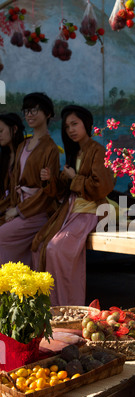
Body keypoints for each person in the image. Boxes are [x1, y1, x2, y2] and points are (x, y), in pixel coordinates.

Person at [32, 105, 115, 306]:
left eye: (75, 124)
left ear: (86, 124)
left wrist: (74, 178)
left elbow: (102, 187)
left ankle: (69, 308)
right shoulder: (74, 153)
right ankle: (48, 308)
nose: (71, 130)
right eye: (67, 126)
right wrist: (49, 180)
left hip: (91, 211)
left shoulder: (98, 151)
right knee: (39, 246)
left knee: (56, 248)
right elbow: (62, 190)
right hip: (71, 212)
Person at [0, 93, 60, 267]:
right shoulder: (22, 146)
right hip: (18, 208)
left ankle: (11, 286)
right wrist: (11, 208)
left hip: (37, 212)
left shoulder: (51, 148)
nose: (29, 114)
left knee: (2, 236)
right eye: (26, 110)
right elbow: (14, 184)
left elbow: (47, 192)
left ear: (48, 114)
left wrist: (18, 210)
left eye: (34, 110)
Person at [0, 113, 25, 223]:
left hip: (19, 207)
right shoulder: (5, 156)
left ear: (14, 129)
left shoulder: (25, 154)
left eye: (1, 131)